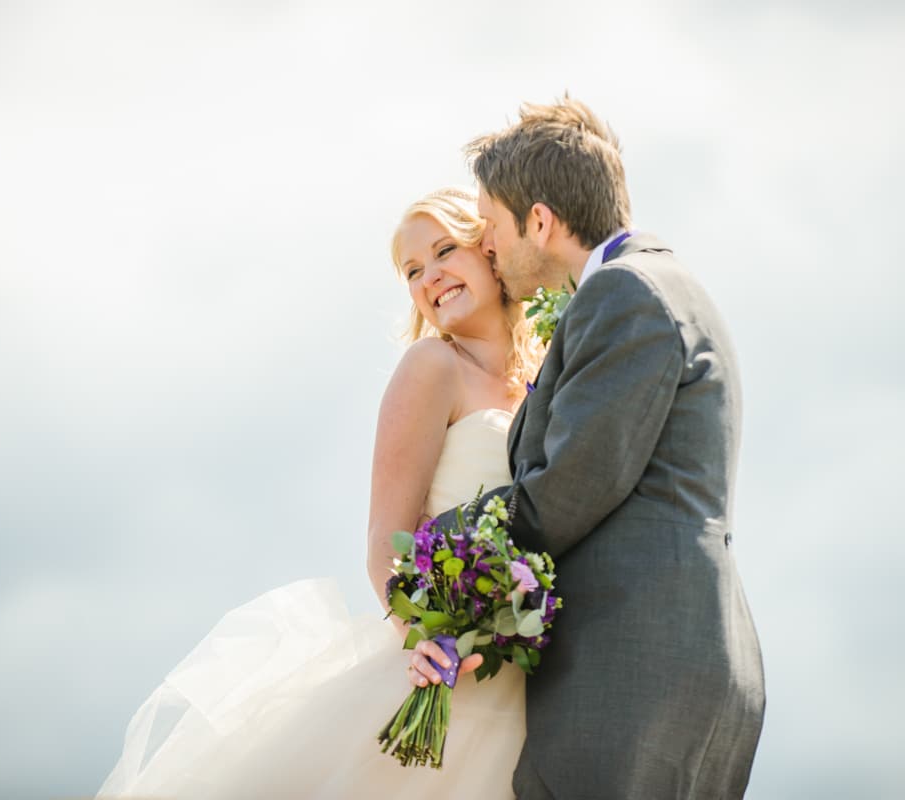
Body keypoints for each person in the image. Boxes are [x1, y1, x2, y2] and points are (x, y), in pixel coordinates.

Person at [96, 187, 543, 799]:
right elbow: (385, 543)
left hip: (533, 681)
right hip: (446, 680)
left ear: (489, 249)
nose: (429, 276)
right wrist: (423, 638)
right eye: (412, 270)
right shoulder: (431, 367)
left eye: (444, 250)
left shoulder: (550, 372)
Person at [408, 96, 767, 798]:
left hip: (632, 663)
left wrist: (426, 556)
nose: (487, 248)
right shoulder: (662, 286)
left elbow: (564, 493)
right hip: (678, 654)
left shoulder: (625, 294)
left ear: (539, 221)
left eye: (490, 230)